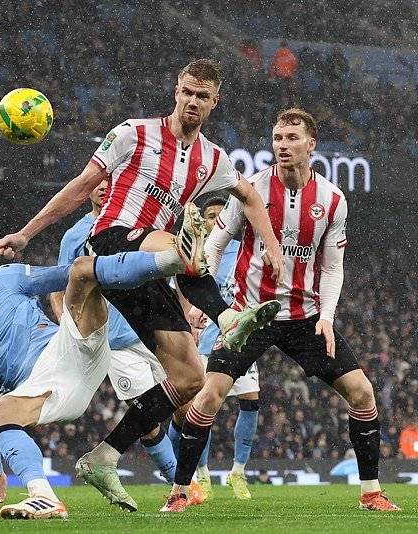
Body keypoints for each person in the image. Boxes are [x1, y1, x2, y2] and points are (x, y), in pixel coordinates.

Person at [0, 58, 283, 510]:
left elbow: (250, 197)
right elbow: (81, 186)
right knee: (184, 248)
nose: (192, 101)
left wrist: (274, 247)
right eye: (187, 92)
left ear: (215, 102)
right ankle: (227, 317)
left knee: (190, 378)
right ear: (176, 91)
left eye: (202, 96)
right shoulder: (133, 132)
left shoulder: (213, 159)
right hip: (112, 242)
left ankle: (103, 457)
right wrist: (27, 233)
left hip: (151, 269)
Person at [160, 108, 400, 512]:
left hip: (305, 319)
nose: (282, 145)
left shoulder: (332, 199)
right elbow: (215, 245)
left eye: (291, 138)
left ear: (311, 144)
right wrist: (207, 303)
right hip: (249, 315)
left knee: (361, 392)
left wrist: (327, 318)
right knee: (208, 396)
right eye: (277, 138)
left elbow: (332, 267)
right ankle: (180, 492)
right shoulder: (250, 189)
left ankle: (371, 492)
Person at [0, 207, 207, 519]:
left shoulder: (1, 279)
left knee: (82, 269)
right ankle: (43, 497)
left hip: (69, 349)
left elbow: (63, 275)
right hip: (47, 391)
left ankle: (173, 259)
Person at [49, 180, 179, 506]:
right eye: (97, 182)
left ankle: (191, 475)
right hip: (117, 340)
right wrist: (68, 323)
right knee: (148, 421)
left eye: (110, 181)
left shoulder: (135, 226)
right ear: (87, 191)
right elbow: (58, 288)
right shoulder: (75, 237)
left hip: (153, 329)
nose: (103, 187)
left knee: (187, 397)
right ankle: (180, 482)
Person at [178, 195, 263, 501]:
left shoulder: (244, 250)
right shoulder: (195, 252)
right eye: (210, 216)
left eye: (220, 215)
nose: (215, 221)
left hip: (239, 340)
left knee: (250, 401)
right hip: (204, 341)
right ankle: (202, 474)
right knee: (204, 406)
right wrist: (188, 326)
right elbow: (183, 293)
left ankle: (238, 471)